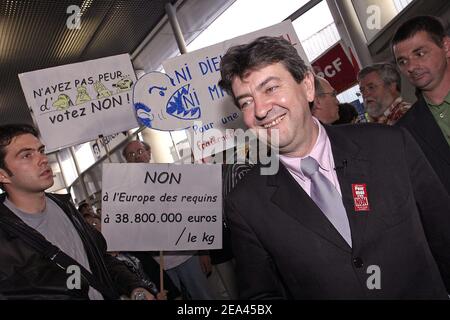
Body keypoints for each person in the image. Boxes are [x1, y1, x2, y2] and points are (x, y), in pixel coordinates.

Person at [218, 36, 450, 299]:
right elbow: (261, 296)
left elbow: (444, 234)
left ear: (307, 86)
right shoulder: (246, 203)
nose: (260, 110)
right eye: (246, 101)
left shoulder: (389, 145)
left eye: (270, 88)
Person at [0, 124, 154, 300]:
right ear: (2, 175)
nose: (42, 159)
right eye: (27, 155)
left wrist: (135, 288)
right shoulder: (5, 241)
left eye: (41, 151)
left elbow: (100, 260)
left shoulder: (65, 208)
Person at [123, 139, 214, 300]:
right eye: (131, 155)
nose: (136, 156)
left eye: (139, 151)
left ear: (148, 153)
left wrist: (203, 251)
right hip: (160, 264)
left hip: (188, 254)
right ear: (127, 162)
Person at [392, 15, 450, 194]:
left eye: (419, 53)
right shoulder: (404, 132)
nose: (411, 66)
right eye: (403, 61)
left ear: (446, 47)